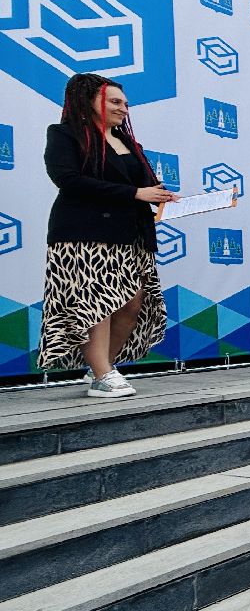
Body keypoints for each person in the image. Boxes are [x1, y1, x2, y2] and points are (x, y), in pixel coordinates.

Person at [41, 73, 175, 397]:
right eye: (115, 102)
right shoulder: (65, 134)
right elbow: (68, 179)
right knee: (96, 306)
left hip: (132, 236)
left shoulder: (130, 143)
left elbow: (145, 188)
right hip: (85, 235)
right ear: (90, 102)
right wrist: (135, 194)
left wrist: (160, 197)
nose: (124, 109)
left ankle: (103, 367)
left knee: (131, 306)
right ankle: (103, 375)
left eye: (126, 104)